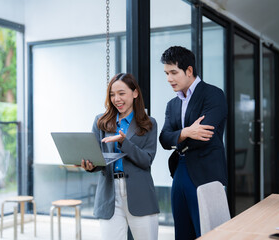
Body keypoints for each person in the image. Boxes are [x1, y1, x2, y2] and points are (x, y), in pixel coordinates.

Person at [159, 46, 228, 239]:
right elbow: (164, 139)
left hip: (205, 170)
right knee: (182, 232)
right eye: (166, 73)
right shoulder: (172, 104)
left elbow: (204, 135)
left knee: (208, 233)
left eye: (173, 72)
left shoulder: (213, 94)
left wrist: (177, 136)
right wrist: (187, 132)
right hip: (180, 170)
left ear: (189, 70)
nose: (169, 79)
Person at [80, 73, 159, 240]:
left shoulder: (148, 123)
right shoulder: (101, 121)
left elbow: (146, 160)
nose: (117, 99)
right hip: (109, 193)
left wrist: (125, 142)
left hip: (140, 193)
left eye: (122, 93)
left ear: (135, 93)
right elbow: (98, 159)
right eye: (112, 94)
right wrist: (90, 165)